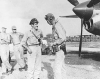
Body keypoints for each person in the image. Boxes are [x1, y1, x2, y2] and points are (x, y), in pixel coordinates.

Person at [45, 13, 67, 79]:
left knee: (56, 68)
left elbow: (63, 38)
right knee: (62, 67)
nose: (47, 22)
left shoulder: (57, 25)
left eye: (47, 21)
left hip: (60, 49)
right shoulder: (56, 25)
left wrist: (53, 43)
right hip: (60, 50)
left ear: (50, 20)